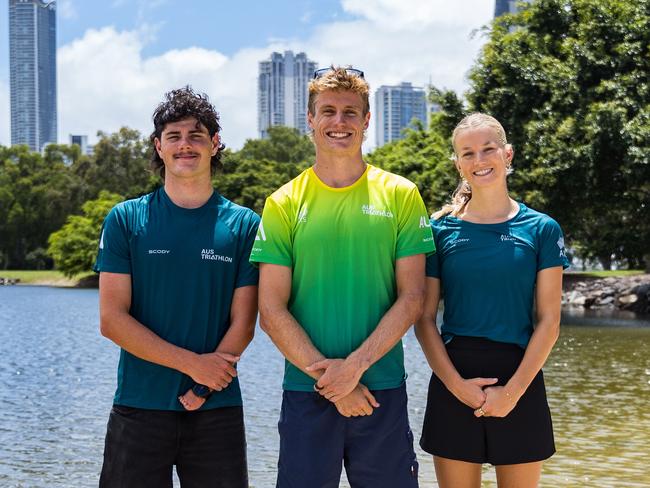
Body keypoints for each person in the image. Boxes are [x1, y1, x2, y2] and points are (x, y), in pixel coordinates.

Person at [250, 66, 435, 488]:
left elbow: (412, 297)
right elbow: (270, 308)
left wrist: (355, 369)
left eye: (351, 112)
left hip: (381, 389)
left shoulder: (401, 194)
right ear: (310, 120)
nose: (339, 122)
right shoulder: (282, 203)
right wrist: (333, 382)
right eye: (328, 111)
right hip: (306, 391)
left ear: (367, 121)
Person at [94, 86, 259, 488]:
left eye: (196, 136)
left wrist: (204, 383)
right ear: (159, 146)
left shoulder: (244, 225)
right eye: (174, 136)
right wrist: (192, 364)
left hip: (216, 409)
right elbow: (112, 320)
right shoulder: (126, 219)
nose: (185, 145)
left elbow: (245, 322)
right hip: (138, 406)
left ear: (215, 145)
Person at [415, 113, 569, 488]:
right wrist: (456, 385)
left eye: (488, 149)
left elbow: (549, 322)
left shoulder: (542, 229)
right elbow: (423, 319)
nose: (479, 160)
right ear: (457, 163)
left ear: (508, 154)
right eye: (467, 153)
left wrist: (512, 393)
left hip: (521, 377)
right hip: (454, 376)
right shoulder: (439, 231)